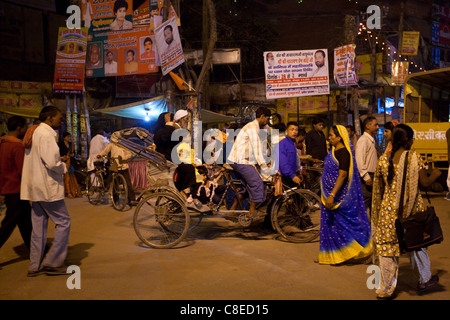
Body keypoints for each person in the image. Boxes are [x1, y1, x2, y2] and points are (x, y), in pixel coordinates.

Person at [371, 124, 442, 299]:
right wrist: (437, 173)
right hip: (410, 212)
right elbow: (425, 184)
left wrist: (379, 213)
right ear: (408, 140)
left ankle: (385, 289)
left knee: (387, 250)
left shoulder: (383, 160)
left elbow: (379, 190)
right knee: (416, 246)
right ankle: (424, 280)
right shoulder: (413, 158)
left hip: (388, 213)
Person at [21, 106, 71, 276]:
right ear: (50, 118)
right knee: (63, 221)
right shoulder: (46, 134)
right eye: (59, 118)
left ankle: (34, 266)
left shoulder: (34, 132)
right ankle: (53, 262)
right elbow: (52, 163)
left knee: (38, 227)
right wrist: (63, 166)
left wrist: (57, 161)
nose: (61, 121)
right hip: (46, 188)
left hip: (36, 188)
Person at [317, 125, 372, 265]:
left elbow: (342, 175)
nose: (329, 138)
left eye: (331, 135)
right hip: (327, 194)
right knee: (331, 225)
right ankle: (333, 255)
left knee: (345, 225)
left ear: (339, 137)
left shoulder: (343, 153)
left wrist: (332, 195)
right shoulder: (334, 150)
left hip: (337, 197)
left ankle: (364, 250)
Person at [228, 107, 271, 218]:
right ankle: (251, 213)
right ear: (262, 116)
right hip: (240, 161)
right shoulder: (252, 127)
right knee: (257, 183)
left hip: (242, 160)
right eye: (267, 118)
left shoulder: (255, 127)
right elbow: (257, 148)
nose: (266, 121)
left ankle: (232, 211)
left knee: (246, 188)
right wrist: (263, 165)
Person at [0, 116, 32, 251]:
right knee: (9, 224)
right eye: (25, 126)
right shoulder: (16, 146)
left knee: (25, 222)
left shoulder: (3, 144)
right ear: (19, 128)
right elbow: (22, 170)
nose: (26, 130)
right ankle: (36, 249)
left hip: (7, 188)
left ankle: (35, 249)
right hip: (17, 190)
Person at [97, 140, 136, 205]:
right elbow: (105, 151)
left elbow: (129, 154)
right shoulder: (112, 144)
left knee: (128, 183)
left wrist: (124, 158)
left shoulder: (125, 144)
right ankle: (115, 200)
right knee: (114, 183)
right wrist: (100, 155)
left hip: (124, 166)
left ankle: (132, 199)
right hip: (115, 166)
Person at [355, 116, 379, 213]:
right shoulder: (363, 140)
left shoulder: (370, 140)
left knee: (369, 205)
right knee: (363, 206)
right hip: (367, 177)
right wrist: (366, 176)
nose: (377, 127)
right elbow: (359, 159)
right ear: (367, 126)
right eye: (375, 125)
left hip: (371, 176)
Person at [278, 121, 303, 188]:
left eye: (296, 130)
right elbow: (283, 163)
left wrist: (298, 172)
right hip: (285, 177)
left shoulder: (292, 144)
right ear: (286, 131)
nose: (294, 132)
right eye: (292, 129)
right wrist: (292, 175)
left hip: (292, 175)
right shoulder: (282, 144)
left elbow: (296, 160)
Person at [58, 132, 81, 198]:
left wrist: (72, 154)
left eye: (69, 137)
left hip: (70, 162)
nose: (69, 138)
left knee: (71, 177)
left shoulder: (71, 144)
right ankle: (68, 192)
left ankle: (73, 191)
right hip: (63, 162)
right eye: (68, 137)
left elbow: (73, 153)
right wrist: (63, 157)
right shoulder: (60, 144)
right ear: (64, 137)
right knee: (66, 178)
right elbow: (58, 153)